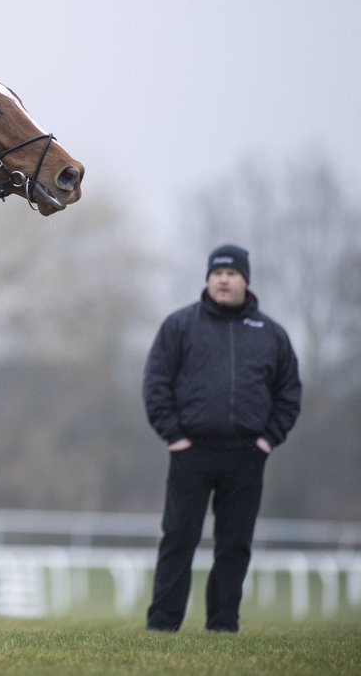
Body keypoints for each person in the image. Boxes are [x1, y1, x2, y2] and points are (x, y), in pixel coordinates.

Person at [142, 243, 302, 633]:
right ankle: (162, 624)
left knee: (234, 545)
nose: (223, 280)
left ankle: (223, 624)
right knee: (178, 539)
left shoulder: (272, 334)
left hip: (247, 456)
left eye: (231, 274)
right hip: (190, 452)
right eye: (217, 273)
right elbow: (156, 385)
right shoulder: (179, 326)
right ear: (208, 279)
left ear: (245, 280)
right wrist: (174, 435)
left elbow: (289, 394)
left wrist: (267, 441)